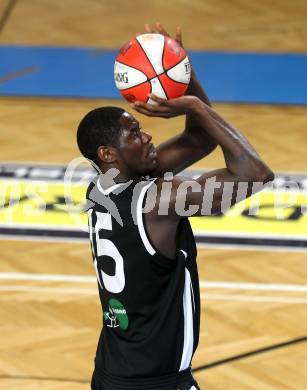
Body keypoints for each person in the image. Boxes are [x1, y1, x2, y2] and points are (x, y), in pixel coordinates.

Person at [76, 23, 274, 390]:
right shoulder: (159, 199)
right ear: (108, 153)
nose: (147, 134)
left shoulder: (104, 186)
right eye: (134, 133)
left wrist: (182, 75)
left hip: (113, 372)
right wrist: (194, 105)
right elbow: (255, 174)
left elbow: (198, 139)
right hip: (155, 383)